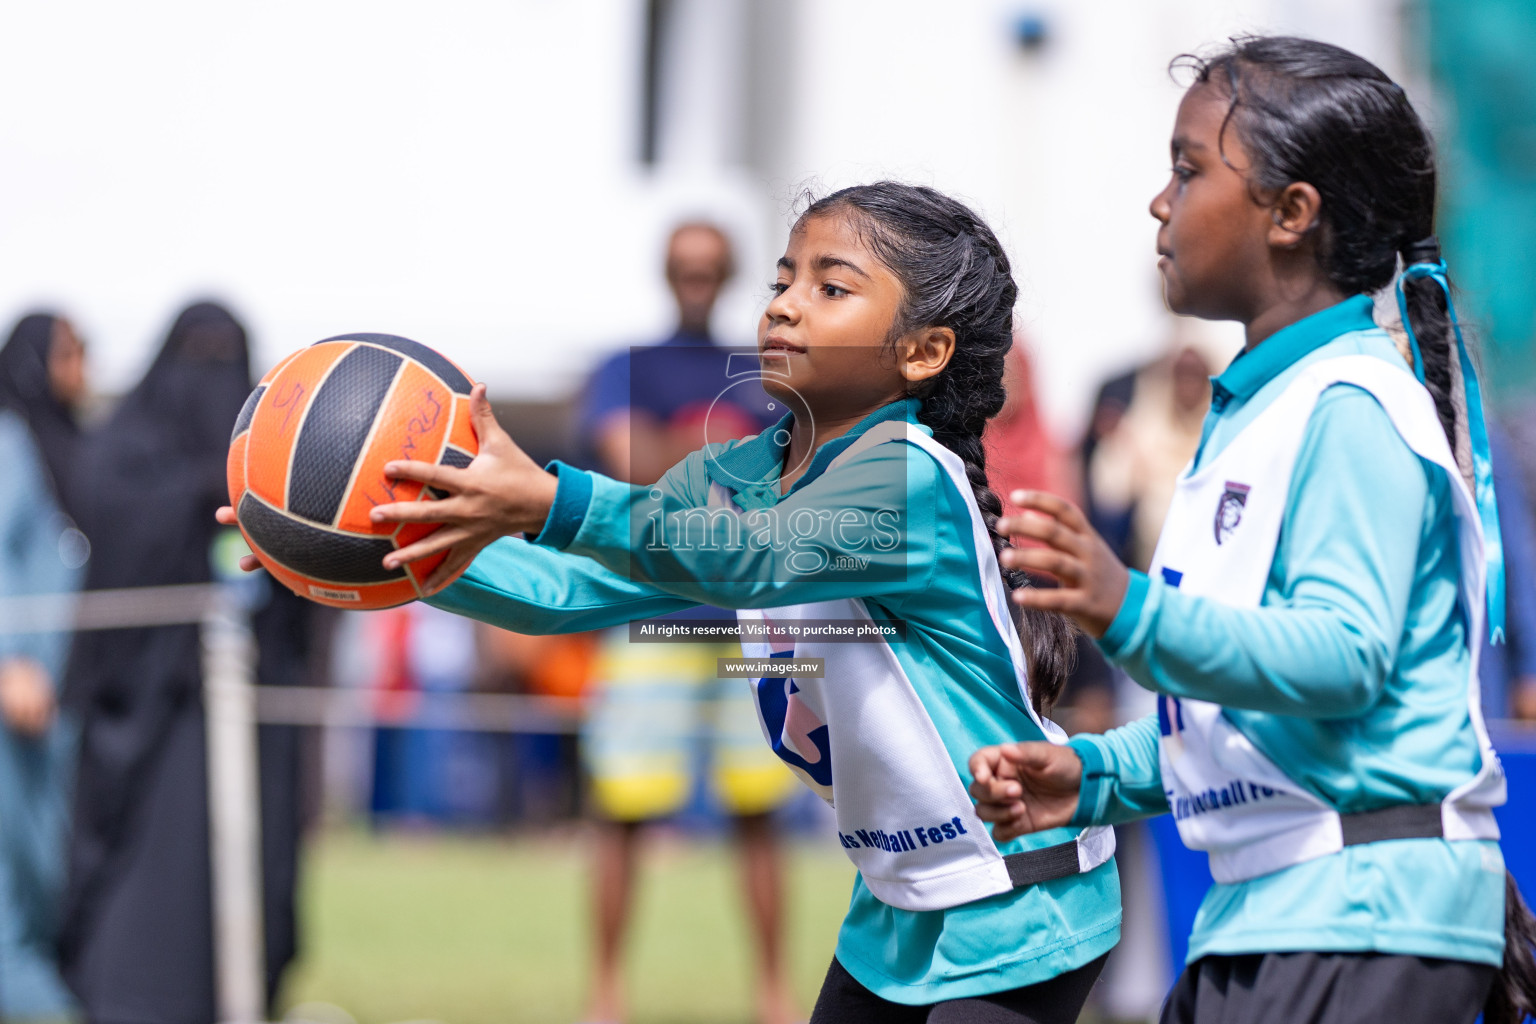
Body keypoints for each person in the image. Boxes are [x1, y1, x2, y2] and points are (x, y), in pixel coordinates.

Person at [289, 182, 1128, 1021]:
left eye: (830, 289)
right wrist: (382, 551)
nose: (786, 308)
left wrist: (555, 501)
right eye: (782, 282)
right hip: (895, 915)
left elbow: (747, 560)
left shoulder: (909, 477)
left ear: (922, 351)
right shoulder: (744, 473)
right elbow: (569, 592)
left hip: (1022, 905)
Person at [968, 37, 1536, 1024]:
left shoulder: (1353, 405)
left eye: (1189, 170)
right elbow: (1246, 730)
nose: (1160, 202)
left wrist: (1128, 607)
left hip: (1363, 915)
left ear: (1292, 214)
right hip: (1278, 911)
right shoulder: (1254, 416)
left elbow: (1344, 657)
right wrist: (1091, 771)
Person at [60, 302, 315, 1022]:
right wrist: (198, 497)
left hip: (255, 701)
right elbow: (111, 531)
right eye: (197, 357)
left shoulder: (272, 461)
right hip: (145, 713)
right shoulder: (124, 452)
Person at [573, 221, 799, 1024]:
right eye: (685, 267)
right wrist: (725, 453)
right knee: (624, 808)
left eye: (710, 268)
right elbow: (631, 460)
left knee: (761, 811)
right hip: (651, 612)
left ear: (728, 274)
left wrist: (684, 453)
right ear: (668, 274)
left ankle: (773, 995)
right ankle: (605, 994)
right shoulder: (624, 365)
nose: (697, 278)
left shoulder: (765, 370)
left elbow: (786, 473)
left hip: (749, 617)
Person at [0, 314, 88, 1021]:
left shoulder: (60, 451)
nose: (83, 368)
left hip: (55, 715)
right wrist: (11, 661)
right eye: (70, 352)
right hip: (14, 704)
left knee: (46, 878)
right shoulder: (7, 448)